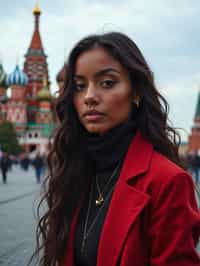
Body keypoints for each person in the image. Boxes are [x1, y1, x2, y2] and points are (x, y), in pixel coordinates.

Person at [30, 32, 200, 266]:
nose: (89, 96)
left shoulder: (168, 182)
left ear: (136, 92)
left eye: (107, 83)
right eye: (79, 86)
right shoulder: (74, 171)